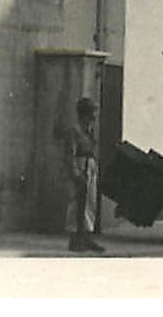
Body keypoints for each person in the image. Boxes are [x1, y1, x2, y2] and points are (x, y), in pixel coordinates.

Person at [64, 97, 103, 253]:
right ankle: (75, 240)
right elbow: (69, 154)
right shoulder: (74, 131)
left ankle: (86, 238)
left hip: (90, 166)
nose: (95, 116)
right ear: (85, 113)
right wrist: (75, 173)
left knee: (89, 204)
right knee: (77, 205)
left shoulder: (89, 130)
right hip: (80, 166)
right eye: (93, 112)